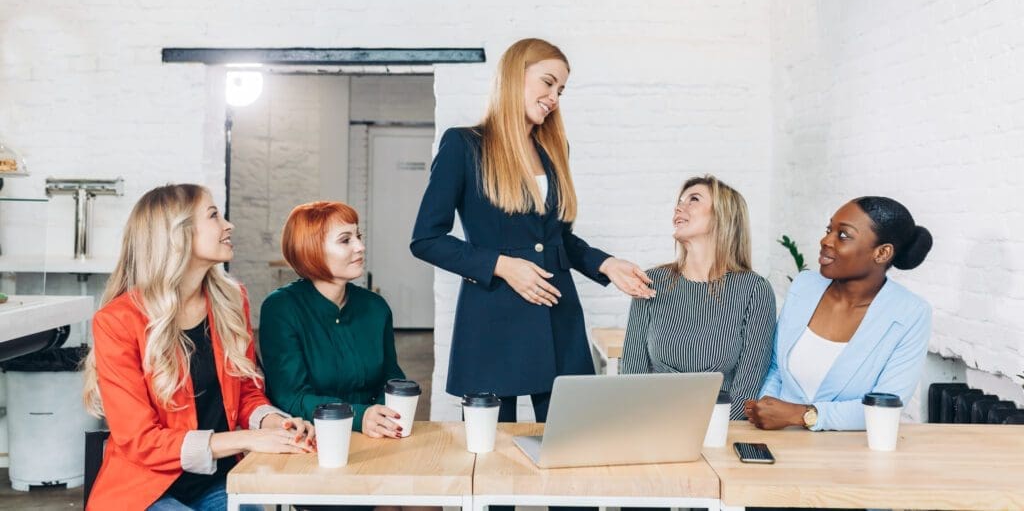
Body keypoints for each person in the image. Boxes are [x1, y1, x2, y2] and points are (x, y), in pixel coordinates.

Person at [410, 37, 655, 424]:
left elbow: (559, 239)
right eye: (548, 82)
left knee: (570, 440)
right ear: (514, 76)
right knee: (488, 452)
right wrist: (501, 265)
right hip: (491, 319)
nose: (554, 97)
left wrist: (606, 264)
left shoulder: (555, 151)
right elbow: (426, 239)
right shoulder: (463, 145)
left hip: (557, 314)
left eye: (561, 89)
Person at [82, 184, 313, 511]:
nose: (228, 225)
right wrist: (246, 438)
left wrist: (272, 423)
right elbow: (140, 441)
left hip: (217, 481)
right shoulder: (117, 321)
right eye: (214, 216)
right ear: (178, 235)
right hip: (146, 490)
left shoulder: (232, 302)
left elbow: (246, 390)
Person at [746, 196, 933, 431]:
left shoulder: (910, 313)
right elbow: (775, 366)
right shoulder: (804, 286)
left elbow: (886, 405)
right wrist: (766, 409)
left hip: (846, 454)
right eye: (829, 229)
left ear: (882, 253)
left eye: (843, 235)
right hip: (776, 438)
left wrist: (801, 415)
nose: (826, 241)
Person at [621, 175, 776, 419]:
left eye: (693, 199)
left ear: (722, 216)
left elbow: (746, 391)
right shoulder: (651, 281)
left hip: (720, 430)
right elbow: (631, 376)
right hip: (653, 424)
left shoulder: (754, 290)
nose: (679, 207)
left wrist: (705, 434)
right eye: (679, 201)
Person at [260, 201, 407, 438]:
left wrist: (383, 415)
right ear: (311, 249)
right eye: (345, 240)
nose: (360, 246)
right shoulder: (281, 308)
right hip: (310, 439)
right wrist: (360, 416)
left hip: (376, 437)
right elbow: (290, 398)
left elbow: (392, 379)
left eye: (358, 236)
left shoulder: (375, 307)